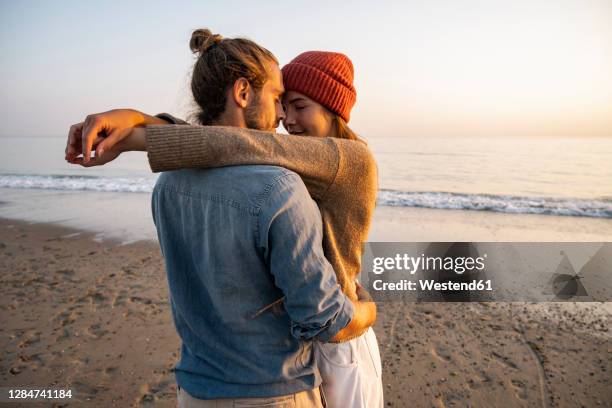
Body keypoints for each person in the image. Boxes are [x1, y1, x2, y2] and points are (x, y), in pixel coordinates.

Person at [65, 33, 383, 407]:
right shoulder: (279, 183)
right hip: (301, 354)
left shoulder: (350, 160)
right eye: (282, 101)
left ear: (334, 110)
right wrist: (369, 311)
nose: (285, 118)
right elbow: (233, 144)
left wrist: (137, 129)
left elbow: (234, 143)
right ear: (244, 92)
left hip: (314, 350)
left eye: (298, 105)